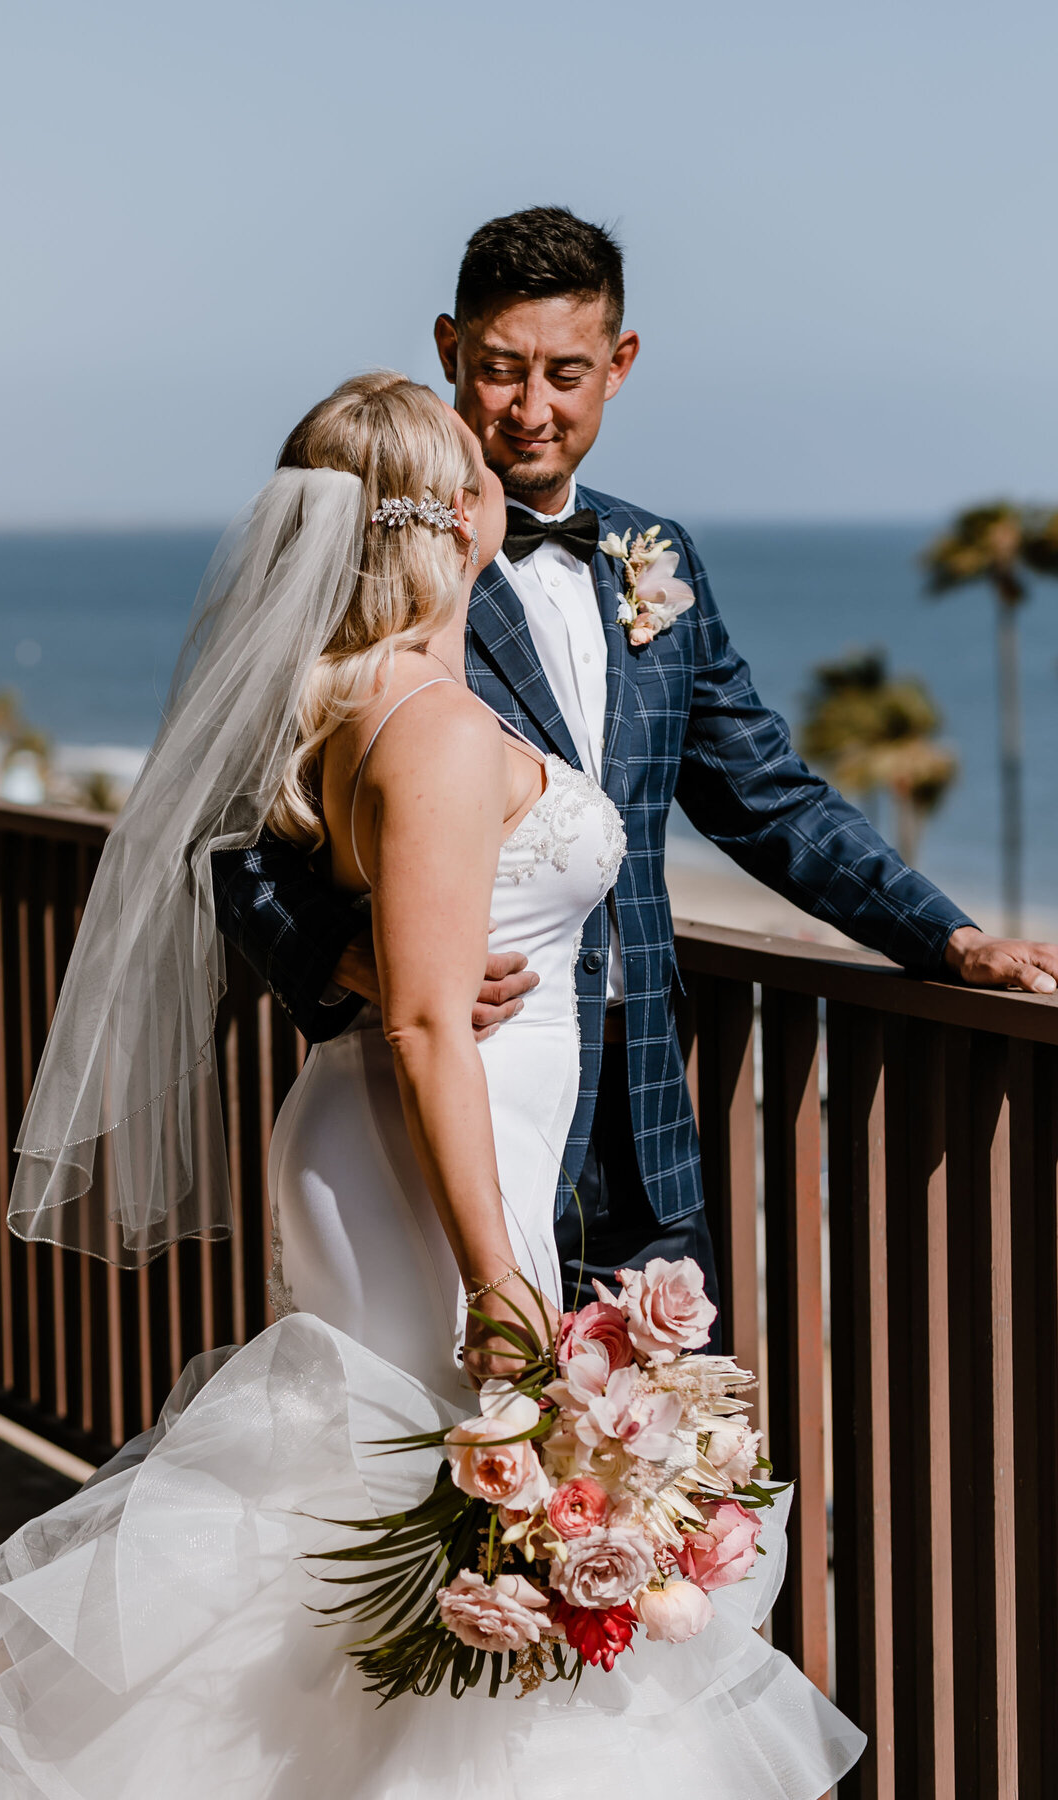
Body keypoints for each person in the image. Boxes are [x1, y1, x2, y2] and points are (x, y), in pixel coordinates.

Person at [0, 372, 865, 1799]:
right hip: (426, 1145)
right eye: (477, 476)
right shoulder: (440, 730)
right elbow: (423, 1027)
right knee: (410, 1486)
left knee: (374, 1495)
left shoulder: (356, 698)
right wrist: (502, 1276)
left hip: (399, 1131)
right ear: (456, 515)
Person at [214, 206, 1058, 1328]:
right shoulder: (373, 564)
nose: (532, 408)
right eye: (502, 369)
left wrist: (948, 938)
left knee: (659, 1456)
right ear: (448, 350)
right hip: (457, 1093)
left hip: (644, 1092)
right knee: (464, 1445)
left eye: (566, 372)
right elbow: (228, 829)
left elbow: (767, 797)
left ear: (620, 365)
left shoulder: (655, 557)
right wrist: (346, 958)